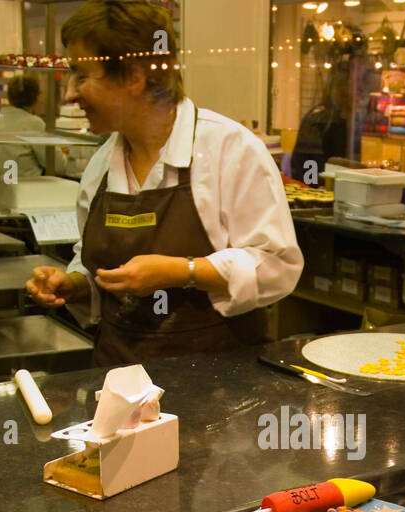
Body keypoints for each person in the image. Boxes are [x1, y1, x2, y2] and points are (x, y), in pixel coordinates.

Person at [26, 0, 302, 365]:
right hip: (121, 381)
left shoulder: (228, 149)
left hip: (220, 381)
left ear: (134, 77)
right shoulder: (101, 165)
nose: (69, 95)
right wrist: (75, 284)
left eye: (81, 75)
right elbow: (94, 263)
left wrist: (180, 271)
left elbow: (276, 266)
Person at [0, 75, 49, 189]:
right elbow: (56, 165)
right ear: (35, 97)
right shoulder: (34, 124)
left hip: (0, 190)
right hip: (28, 192)